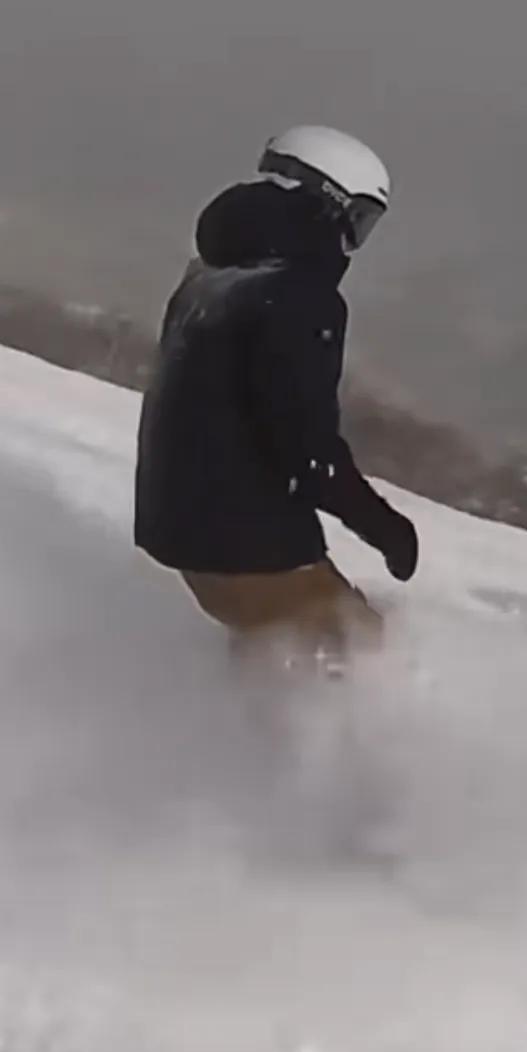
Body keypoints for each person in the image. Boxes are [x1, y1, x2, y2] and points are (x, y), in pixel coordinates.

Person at [134, 126, 419, 663]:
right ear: (326, 205)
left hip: (185, 533)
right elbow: (307, 452)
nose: (351, 244)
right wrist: (387, 530)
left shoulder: (211, 276)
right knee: (365, 658)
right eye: (357, 222)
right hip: (246, 544)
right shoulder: (297, 298)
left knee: (277, 659)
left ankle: (231, 732)